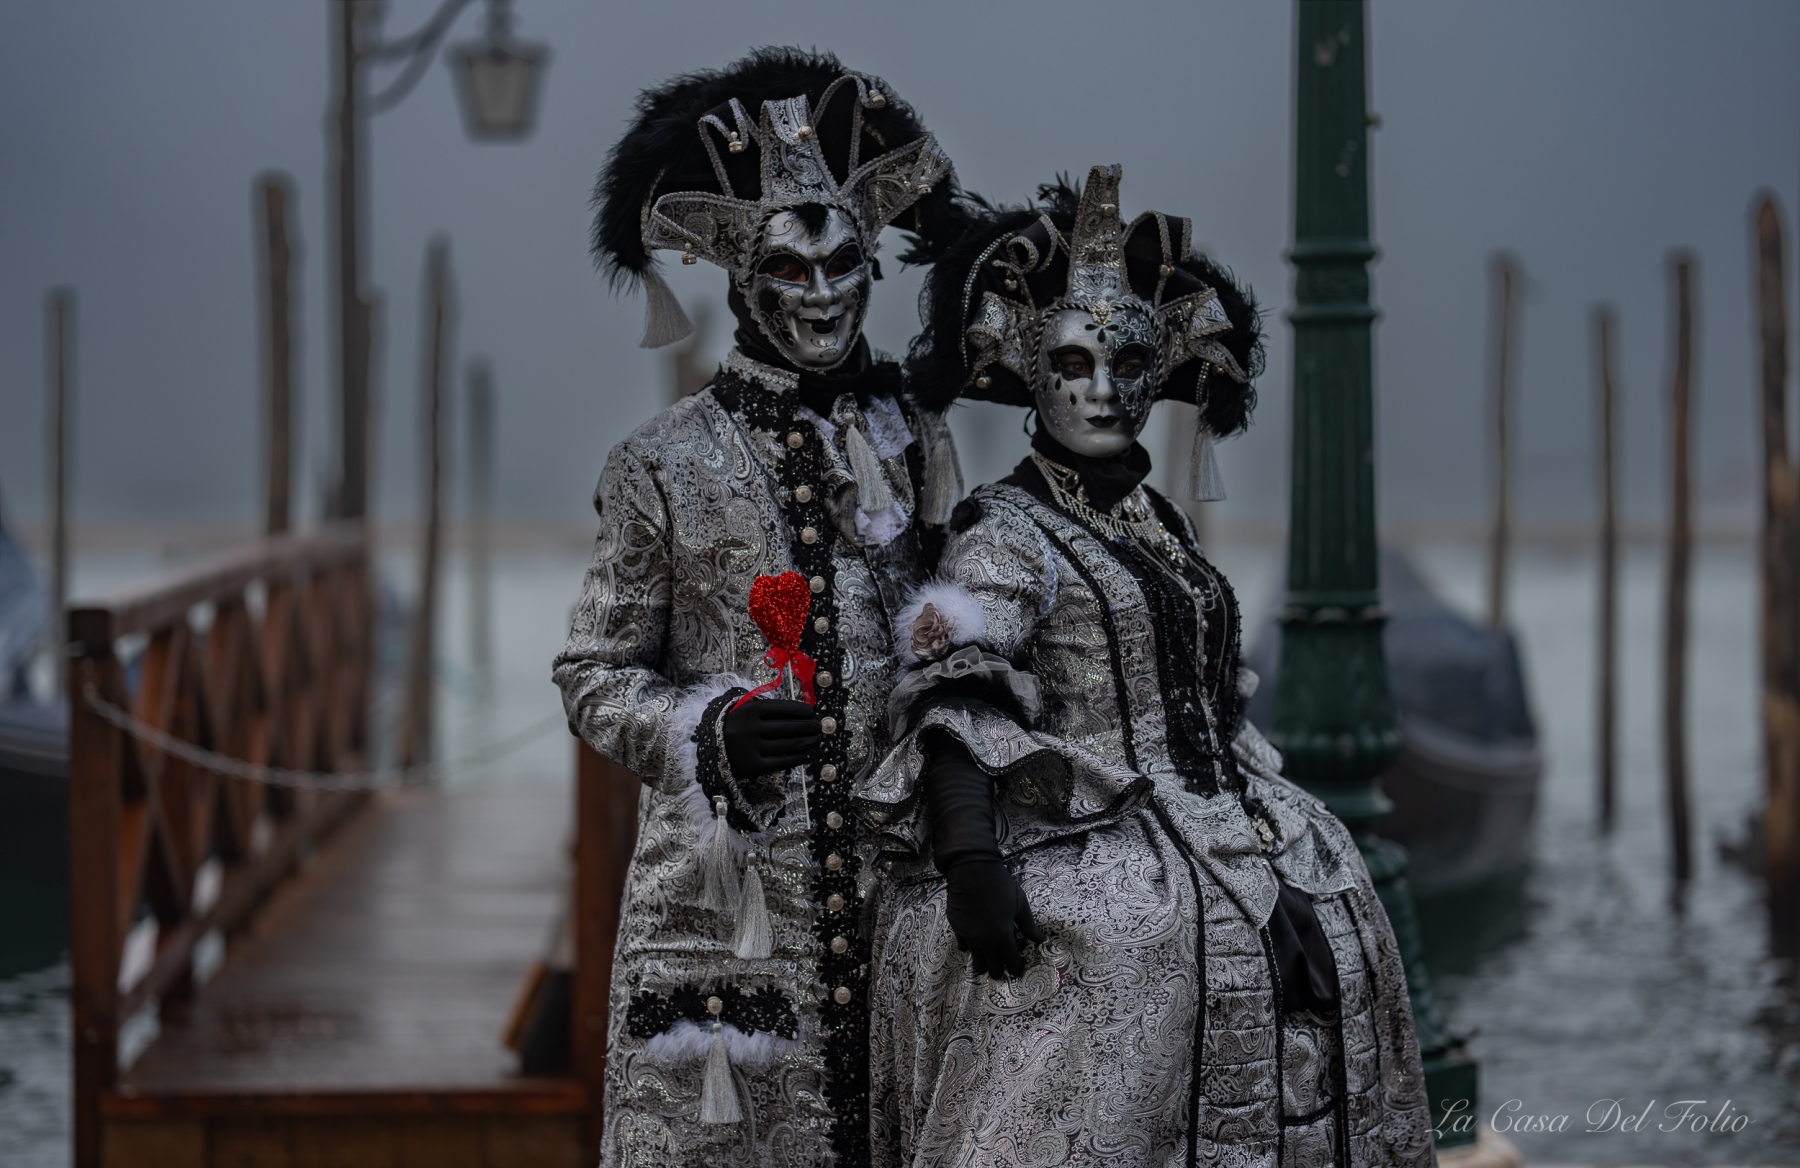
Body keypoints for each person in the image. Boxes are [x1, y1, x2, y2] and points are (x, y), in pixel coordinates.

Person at [855, 166, 1435, 1168]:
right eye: (1073, 362)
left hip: (1226, 813)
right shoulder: (1008, 529)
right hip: (1091, 825)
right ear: (1030, 372)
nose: (1103, 388)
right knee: (1137, 947)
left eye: (1129, 361)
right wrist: (970, 857)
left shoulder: (1156, 520)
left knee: (1347, 908)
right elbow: (955, 681)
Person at [553, 49, 963, 1168]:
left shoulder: (916, 437)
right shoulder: (659, 463)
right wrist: (706, 730)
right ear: (740, 277)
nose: (822, 295)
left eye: (845, 265)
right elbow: (592, 673)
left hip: (895, 893)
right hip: (723, 911)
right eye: (791, 268)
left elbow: (952, 637)